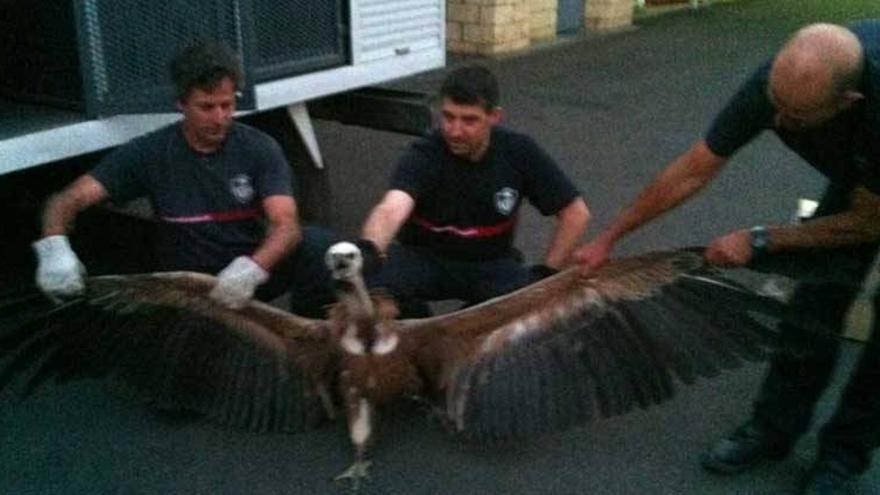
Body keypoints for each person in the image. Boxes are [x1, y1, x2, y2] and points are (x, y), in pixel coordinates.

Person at [574, 21, 880, 495]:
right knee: (812, 307)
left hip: (873, 198)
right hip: (860, 174)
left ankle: (843, 456)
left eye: (796, 119)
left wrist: (760, 240)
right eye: (775, 107)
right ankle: (772, 431)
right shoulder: (781, 84)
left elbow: (869, 221)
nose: (778, 123)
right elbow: (694, 169)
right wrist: (609, 237)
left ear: (848, 103)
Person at [32, 40, 336, 315]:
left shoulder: (260, 148)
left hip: (246, 276)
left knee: (319, 245)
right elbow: (68, 199)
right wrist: (53, 247)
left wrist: (252, 269)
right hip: (186, 283)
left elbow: (287, 225)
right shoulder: (150, 152)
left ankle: (308, 341)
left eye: (227, 105)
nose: (219, 118)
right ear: (181, 103)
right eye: (206, 107)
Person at [358, 65, 590, 316]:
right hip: (423, 259)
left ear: (494, 117)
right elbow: (391, 208)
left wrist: (546, 276)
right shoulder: (424, 153)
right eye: (448, 116)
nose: (454, 131)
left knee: (525, 308)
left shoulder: (519, 151)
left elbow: (575, 214)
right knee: (369, 286)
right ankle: (417, 328)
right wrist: (369, 249)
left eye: (469, 120)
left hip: (489, 264)